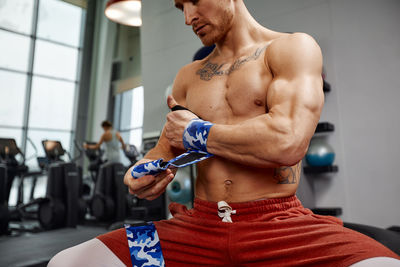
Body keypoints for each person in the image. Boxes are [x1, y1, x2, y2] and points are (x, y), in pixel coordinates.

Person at [49, 0, 400, 266]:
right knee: (69, 262)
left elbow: (287, 141)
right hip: (198, 229)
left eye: (194, 1)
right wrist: (141, 174)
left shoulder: (291, 48)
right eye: (179, 7)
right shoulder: (188, 76)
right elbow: (166, 148)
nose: (188, 17)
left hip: (281, 228)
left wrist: (198, 133)